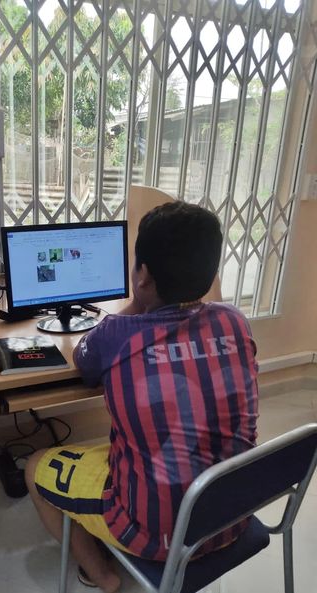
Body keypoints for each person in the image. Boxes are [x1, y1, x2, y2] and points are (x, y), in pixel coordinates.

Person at [25, 201, 259, 593]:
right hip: (231, 516)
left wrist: (138, 301)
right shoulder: (234, 321)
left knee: (34, 465)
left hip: (156, 534)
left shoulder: (114, 335)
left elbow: (84, 362)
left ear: (143, 275)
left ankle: (102, 576)